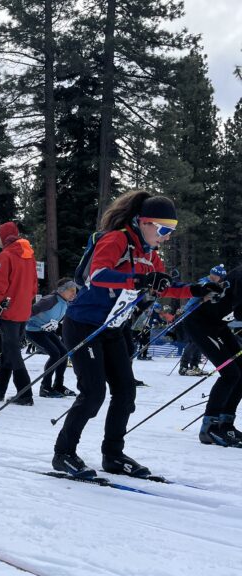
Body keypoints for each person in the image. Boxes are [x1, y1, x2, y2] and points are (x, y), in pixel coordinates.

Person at [52, 191, 213, 479]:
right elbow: (97, 275)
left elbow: (166, 286)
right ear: (145, 222)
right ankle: (63, 453)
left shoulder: (150, 255)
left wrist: (197, 290)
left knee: (126, 392)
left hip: (113, 329)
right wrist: (139, 279)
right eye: (164, 230)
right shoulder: (116, 239)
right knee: (93, 394)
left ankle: (113, 454)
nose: (166, 237)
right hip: (84, 325)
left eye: (171, 232)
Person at [183, 264, 242, 446]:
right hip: (200, 324)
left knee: (241, 370)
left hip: (219, 326)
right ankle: (210, 426)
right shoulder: (240, 274)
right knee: (230, 373)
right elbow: (240, 309)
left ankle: (226, 423)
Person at [0, 221, 38, 405]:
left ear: (4, 237)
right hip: (23, 309)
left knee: (12, 351)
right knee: (9, 349)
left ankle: (25, 392)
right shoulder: (29, 255)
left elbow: (0, 288)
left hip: (9, 310)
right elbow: (34, 285)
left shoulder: (4, 256)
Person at [25, 278, 77, 398]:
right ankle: (45, 387)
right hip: (34, 331)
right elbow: (29, 312)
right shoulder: (50, 300)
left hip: (46, 331)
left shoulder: (65, 302)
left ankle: (58, 385)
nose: (74, 293)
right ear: (62, 290)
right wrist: (21, 328)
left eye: (75, 290)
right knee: (55, 354)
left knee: (64, 353)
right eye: (71, 290)